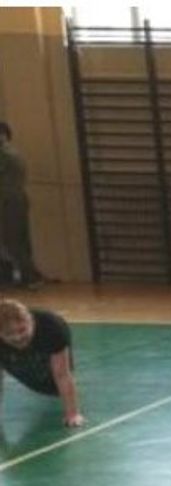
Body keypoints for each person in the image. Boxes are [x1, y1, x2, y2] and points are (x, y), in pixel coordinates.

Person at [0, 299, 84, 427]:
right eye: (9, 334)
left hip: (47, 342)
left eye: (22, 330)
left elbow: (62, 374)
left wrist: (72, 414)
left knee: (53, 386)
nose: (17, 337)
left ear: (31, 321)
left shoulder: (52, 327)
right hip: (7, 351)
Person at [0, 121, 45, 289]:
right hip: (15, 199)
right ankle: (28, 275)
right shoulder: (12, 152)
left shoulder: (5, 154)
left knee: (13, 241)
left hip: (9, 201)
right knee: (18, 240)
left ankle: (30, 277)